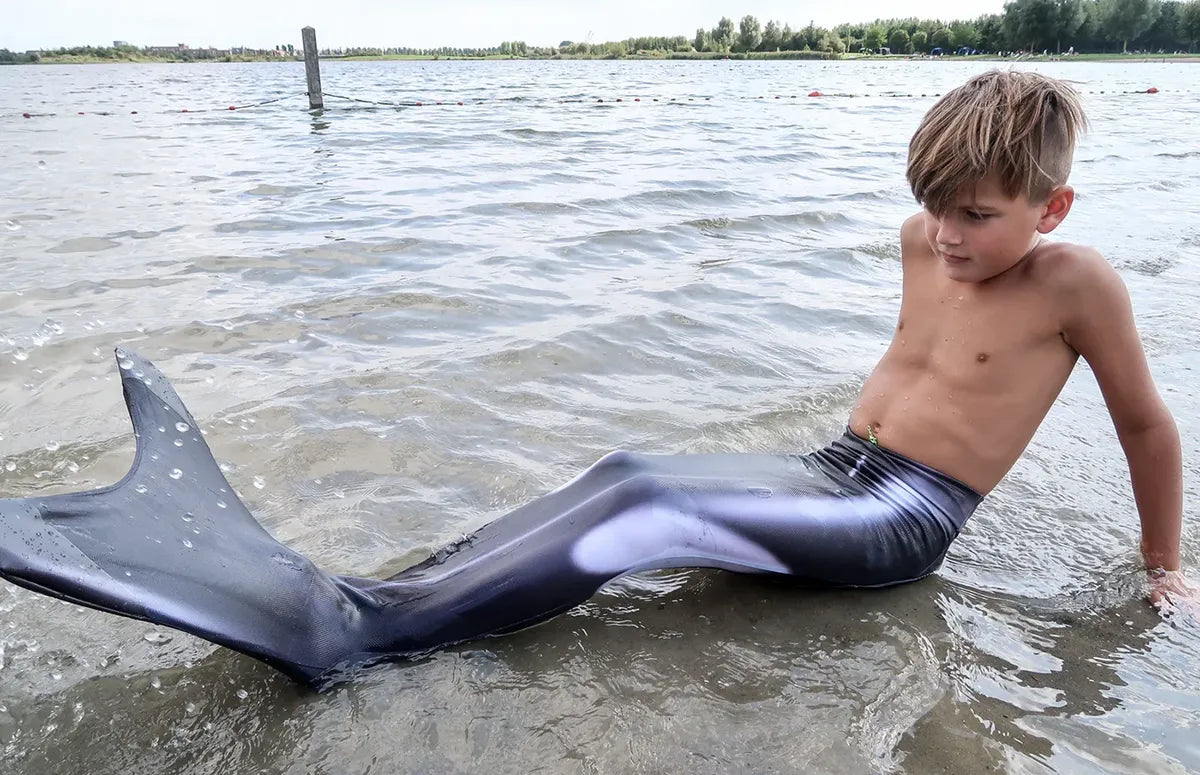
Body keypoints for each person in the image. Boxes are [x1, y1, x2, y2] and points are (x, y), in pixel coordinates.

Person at [0, 71, 1191, 688]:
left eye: (977, 218)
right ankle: (383, 589)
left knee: (653, 516)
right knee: (626, 471)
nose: (945, 237)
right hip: (839, 466)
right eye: (934, 210)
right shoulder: (919, 235)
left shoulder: (1076, 282)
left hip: (904, 518)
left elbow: (1145, 425)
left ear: (1054, 206)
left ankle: (360, 639)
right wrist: (934, 237)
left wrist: (1162, 567)